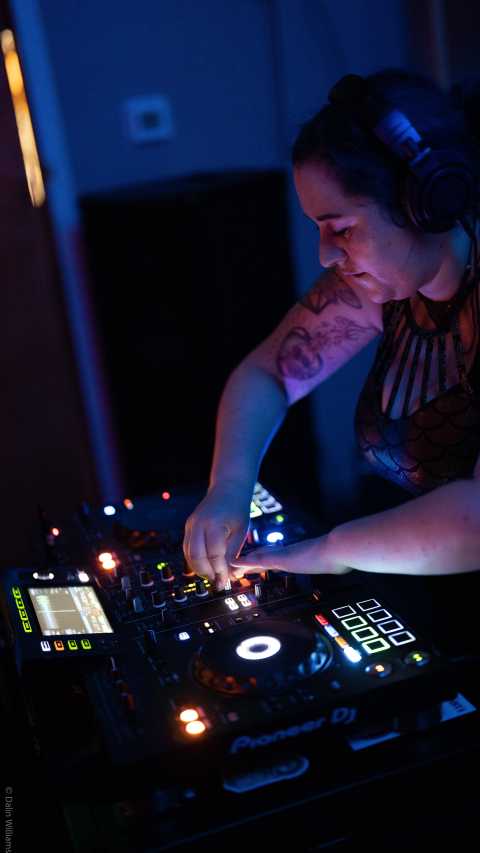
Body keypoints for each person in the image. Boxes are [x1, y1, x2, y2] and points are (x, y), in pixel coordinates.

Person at [182, 68, 480, 592]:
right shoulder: (380, 288)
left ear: (426, 203)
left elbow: (475, 523)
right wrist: (229, 486)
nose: (326, 255)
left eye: (341, 229)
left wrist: (328, 550)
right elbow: (267, 376)